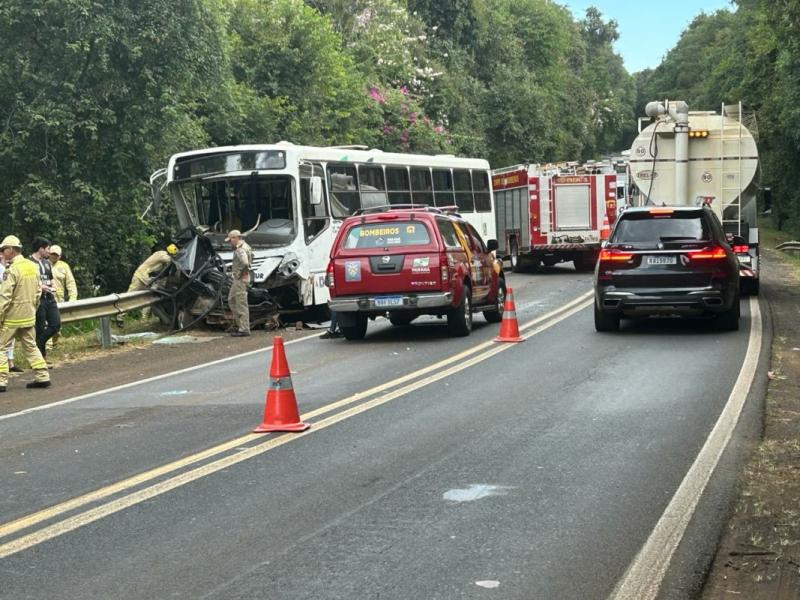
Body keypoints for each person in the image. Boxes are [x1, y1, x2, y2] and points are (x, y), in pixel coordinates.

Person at [0, 235, 51, 391]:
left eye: (3, 249)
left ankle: (1, 381)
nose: (2, 252)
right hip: (28, 315)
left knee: (1, 347)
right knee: (30, 346)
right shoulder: (31, 266)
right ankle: (43, 376)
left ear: (11, 250)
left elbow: (5, 296)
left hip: (12, 317)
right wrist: (32, 309)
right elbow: (37, 292)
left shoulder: (12, 269)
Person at [121, 244, 177, 325]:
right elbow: (169, 260)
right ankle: (120, 318)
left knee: (149, 299)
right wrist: (177, 259)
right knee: (129, 297)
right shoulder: (162, 254)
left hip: (148, 280)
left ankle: (144, 319)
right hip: (140, 277)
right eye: (173, 255)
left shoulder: (164, 258)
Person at [31, 238, 60, 359]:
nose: (49, 251)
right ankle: (41, 359)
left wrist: (53, 286)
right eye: (48, 248)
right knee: (40, 328)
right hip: (39, 299)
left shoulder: (47, 263)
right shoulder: (30, 263)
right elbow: (30, 282)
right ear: (41, 249)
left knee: (55, 324)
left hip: (50, 297)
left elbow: (51, 278)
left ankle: (38, 344)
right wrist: (40, 287)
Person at [46, 244, 78, 351]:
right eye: (52, 254)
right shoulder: (43, 264)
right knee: (47, 324)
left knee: (57, 325)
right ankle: (48, 347)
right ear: (49, 254)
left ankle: (55, 345)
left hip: (59, 300)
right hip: (46, 299)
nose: (54, 256)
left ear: (60, 256)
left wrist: (73, 298)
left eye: (56, 255)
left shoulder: (64, 266)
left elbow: (71, 283)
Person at [225, 230, 252, 337]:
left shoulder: (240, 249)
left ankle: (244, 329)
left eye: (231, 239)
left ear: (236, 238)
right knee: (231, 300)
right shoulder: (245, 246)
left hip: (240, 279)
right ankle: (239, 325)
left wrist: (238, 272)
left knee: (241, 303)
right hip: (239, 279)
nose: (230, 242)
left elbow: (245, 262)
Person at [0, 253, 20, 372]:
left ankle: (10, 363)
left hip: (5, 306)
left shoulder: (6, 269)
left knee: (8, 337)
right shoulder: (4, 269)